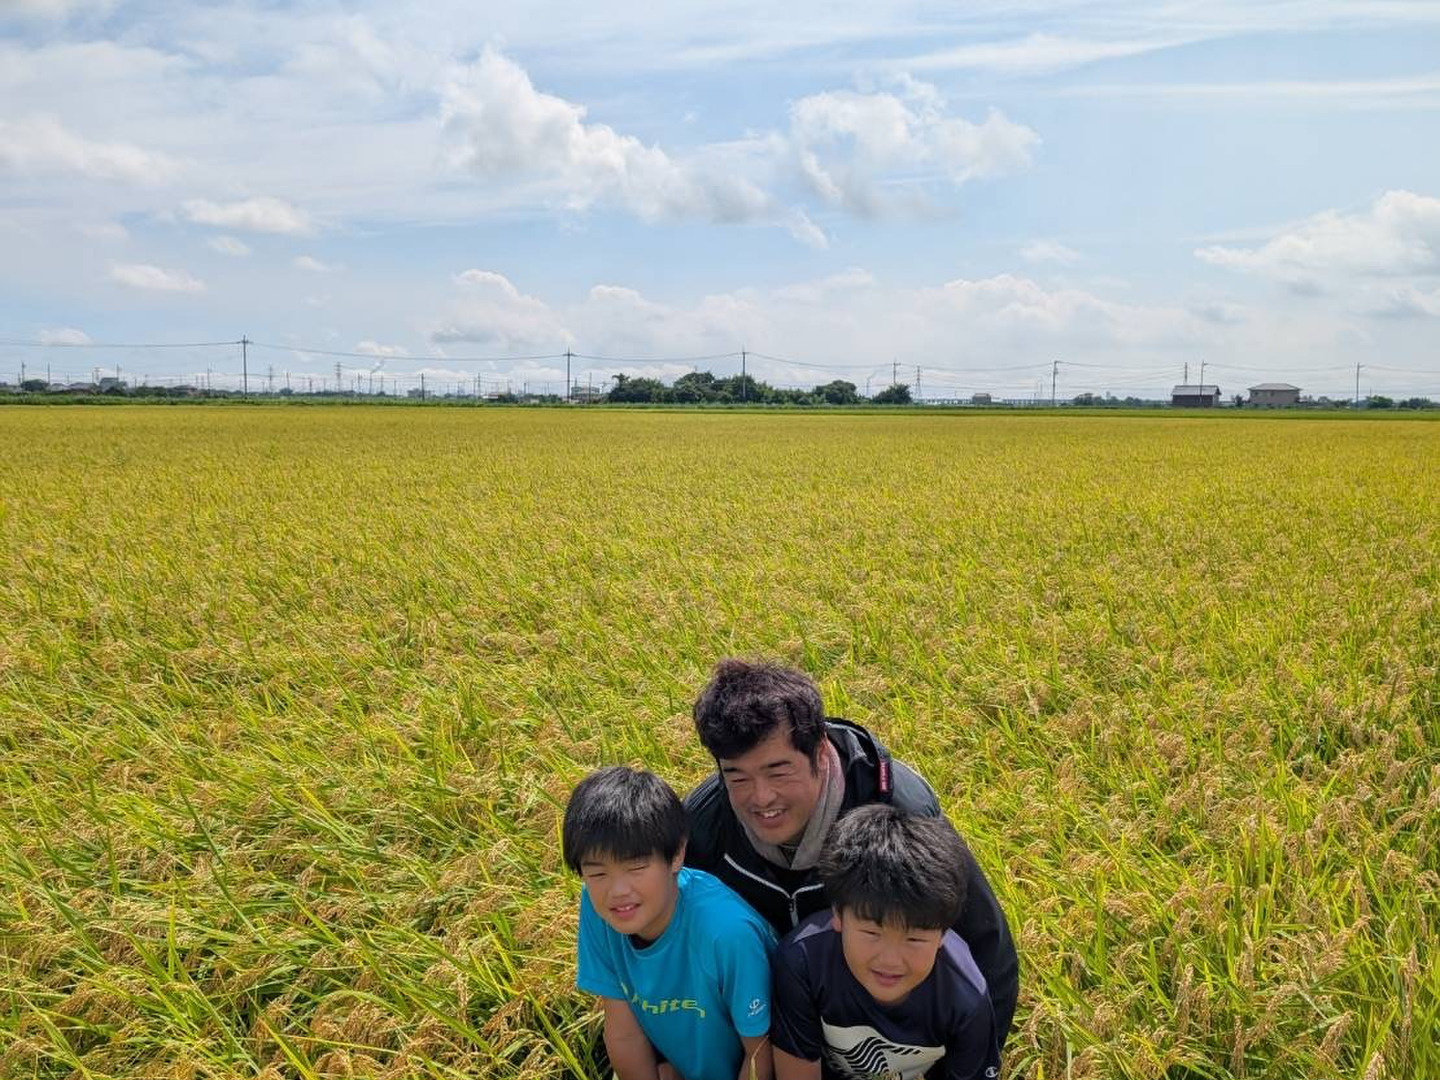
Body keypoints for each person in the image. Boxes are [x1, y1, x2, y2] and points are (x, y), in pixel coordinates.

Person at [683, 660, 1019, 1045]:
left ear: (820, 751)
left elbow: (985, 943)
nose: (761, 797)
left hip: (892, 1030)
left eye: (778, 772)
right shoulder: (705, 824)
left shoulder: (899, 810)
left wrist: (977, 1056)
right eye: (737, 776)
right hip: (775, 1030)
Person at [564, 766, 777, 1080]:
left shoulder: (726, 934)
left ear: (677, 854)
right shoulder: (599, 907)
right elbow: (624, 1033)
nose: (618, 891)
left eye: (636, 867)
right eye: (597, 873)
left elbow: (760, 1053)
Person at [770, 805, 1000, 1080]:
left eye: (914, 938)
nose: (890, 960)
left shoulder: (965, 998)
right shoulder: (802, 962)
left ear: (943, 934)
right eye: (871, 933)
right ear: (838, 915)